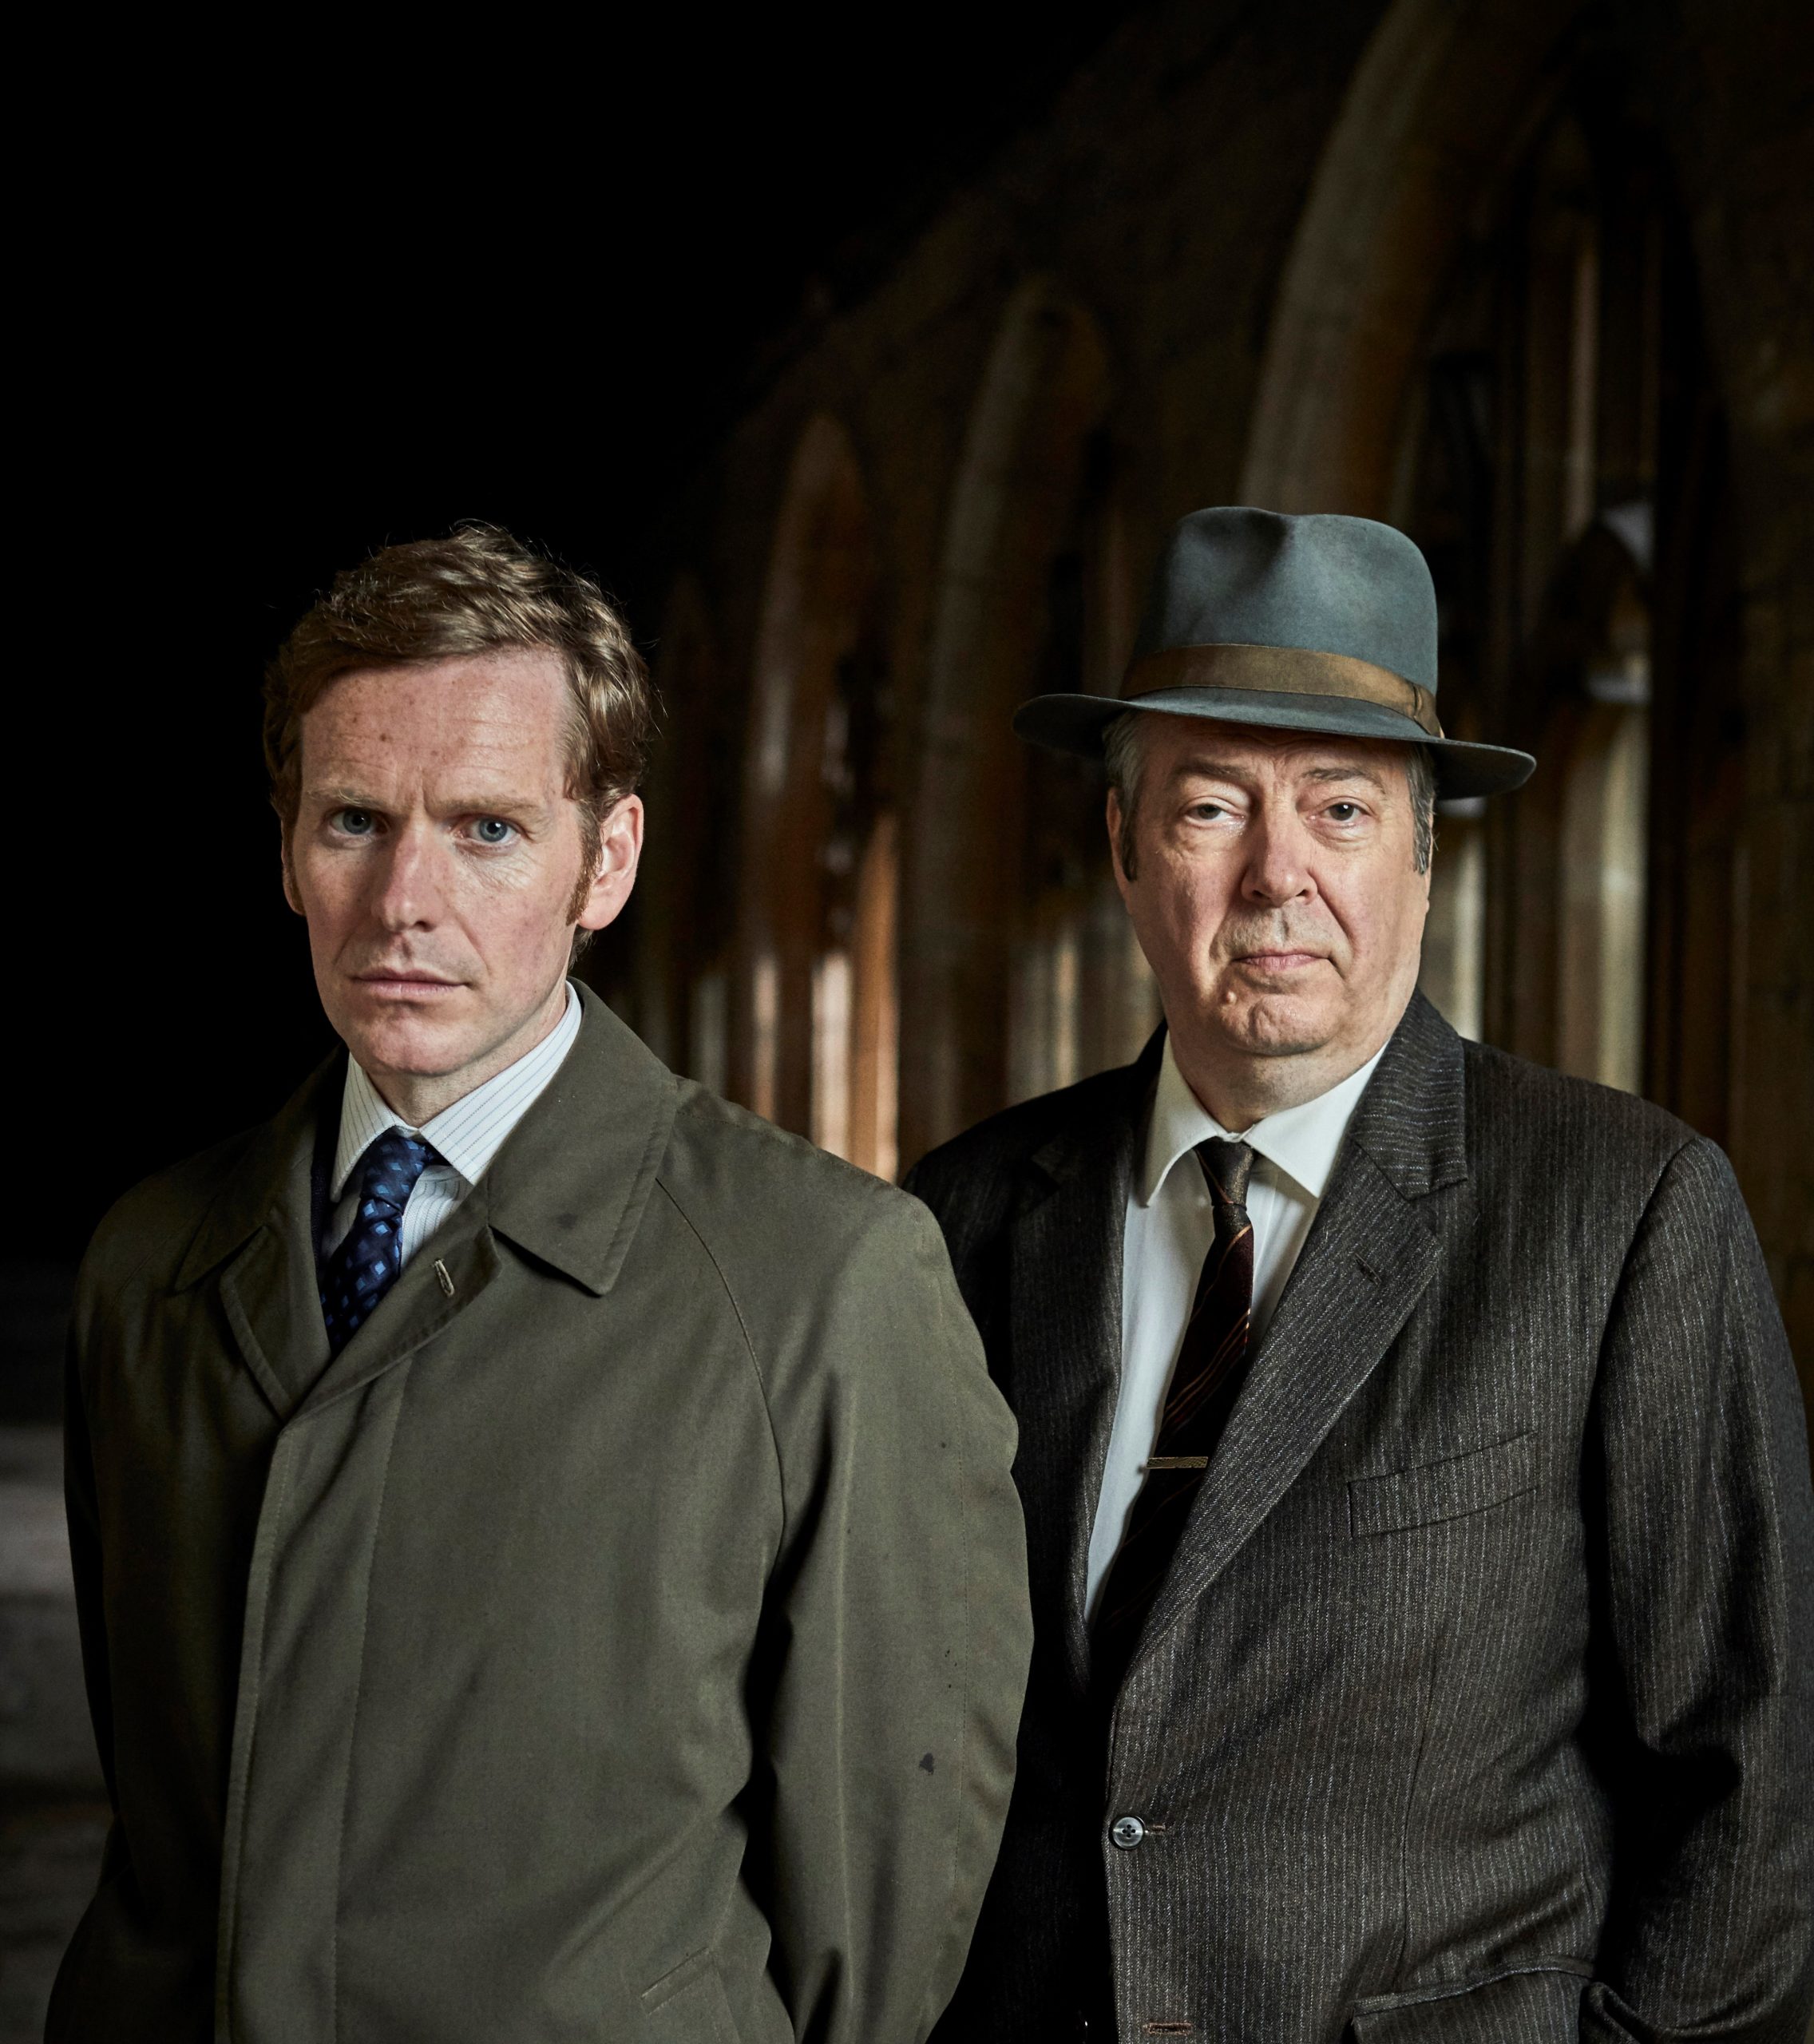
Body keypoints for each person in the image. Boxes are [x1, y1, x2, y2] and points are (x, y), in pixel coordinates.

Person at [52, 525, 1032, 2042]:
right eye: (355, 820)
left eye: (489, 830)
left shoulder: (826, 1282)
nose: (404, 899)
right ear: (288, 850)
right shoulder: (148, 1265)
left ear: (607, 860)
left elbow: (881, 1916)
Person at [909, 508, 1814, 2042]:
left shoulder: (1625, 1211)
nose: (1279, 875)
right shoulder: (965, 1213)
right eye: (1211, 807)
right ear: (1123, 846)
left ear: (1423, 858)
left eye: (1340, 810)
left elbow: (1755, 1794)